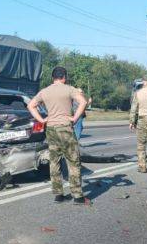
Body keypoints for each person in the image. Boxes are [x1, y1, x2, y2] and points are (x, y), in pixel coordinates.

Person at [28, 66, 87, 204]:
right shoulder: (69, 89)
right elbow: (83, 102)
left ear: (52, 78)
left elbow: (31, 105)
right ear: (64, 77)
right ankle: (77, 196)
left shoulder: (44, 91)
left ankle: (58, 195)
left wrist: (42, 120)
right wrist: (75, 118)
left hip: (51, 129)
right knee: (73, 161)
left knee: (54, 162)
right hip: (65, 128)